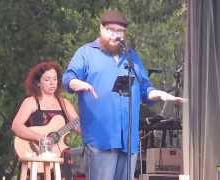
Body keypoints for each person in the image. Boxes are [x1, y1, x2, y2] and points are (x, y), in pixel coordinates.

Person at [62, 10, 184, 180]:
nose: (115, 35)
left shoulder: (131, 56)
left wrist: (159, 94)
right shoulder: (86, 53)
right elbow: (68, 78)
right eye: (111, 29)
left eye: (119, 31)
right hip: (101, 139)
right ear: (101, 29)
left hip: (128, 140)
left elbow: (144, 89)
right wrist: (79, 84)